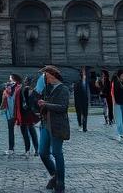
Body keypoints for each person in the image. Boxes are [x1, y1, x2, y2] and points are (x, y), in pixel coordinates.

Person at [37, 65, 71, 193]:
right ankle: (54, 175)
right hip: (45, 124)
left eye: (47, 76)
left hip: (57, 125)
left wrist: (46, 104)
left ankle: (60, 182)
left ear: (53, 76)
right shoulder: (47, 88)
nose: (46, 79)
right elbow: (44, 103)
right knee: (43, 153)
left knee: (57, 153)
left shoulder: (63, 89)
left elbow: (63, 107)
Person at [0, 74, 22, 155]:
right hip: (11, 112)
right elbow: (4, 100)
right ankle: (11, 148)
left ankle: (11, 148)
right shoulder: (8, 89)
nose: (9, 80)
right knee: (12, 131)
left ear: (14, 79)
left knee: (22, 131)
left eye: (10, 78)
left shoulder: (18, 88)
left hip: (15, 112)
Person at [73, 66, 91, 132]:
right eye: (83, 74)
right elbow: (75, 94)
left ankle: (85, 127)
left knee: (85, 114)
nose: (84, 76)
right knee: (79, 114)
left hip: (85, 101)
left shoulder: (87, 83)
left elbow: (88, 92)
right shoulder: (77, 84)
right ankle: (80, 125)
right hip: (79, 101)